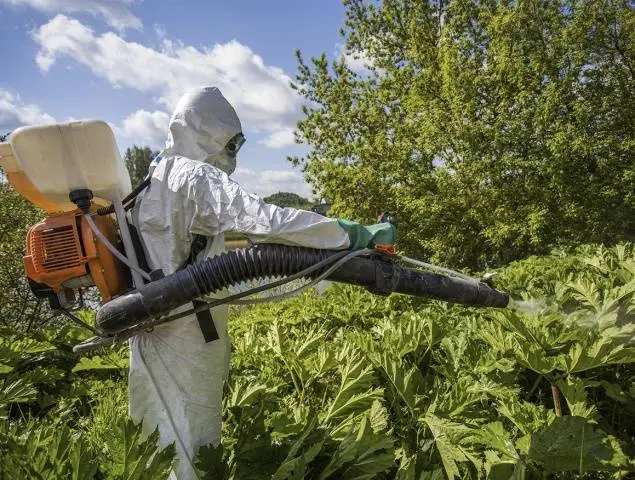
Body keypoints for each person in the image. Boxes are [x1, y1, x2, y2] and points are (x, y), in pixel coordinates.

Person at [129, 86, 396, 479]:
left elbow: (228, 242)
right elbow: (266, 220)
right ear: (208, 132)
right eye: (230, 143)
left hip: (152, 328)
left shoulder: (157, 177)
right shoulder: (195, 175)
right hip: (186, 329)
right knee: (194, 443)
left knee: (157, 440)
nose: (232, 153)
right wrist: (348, 233)